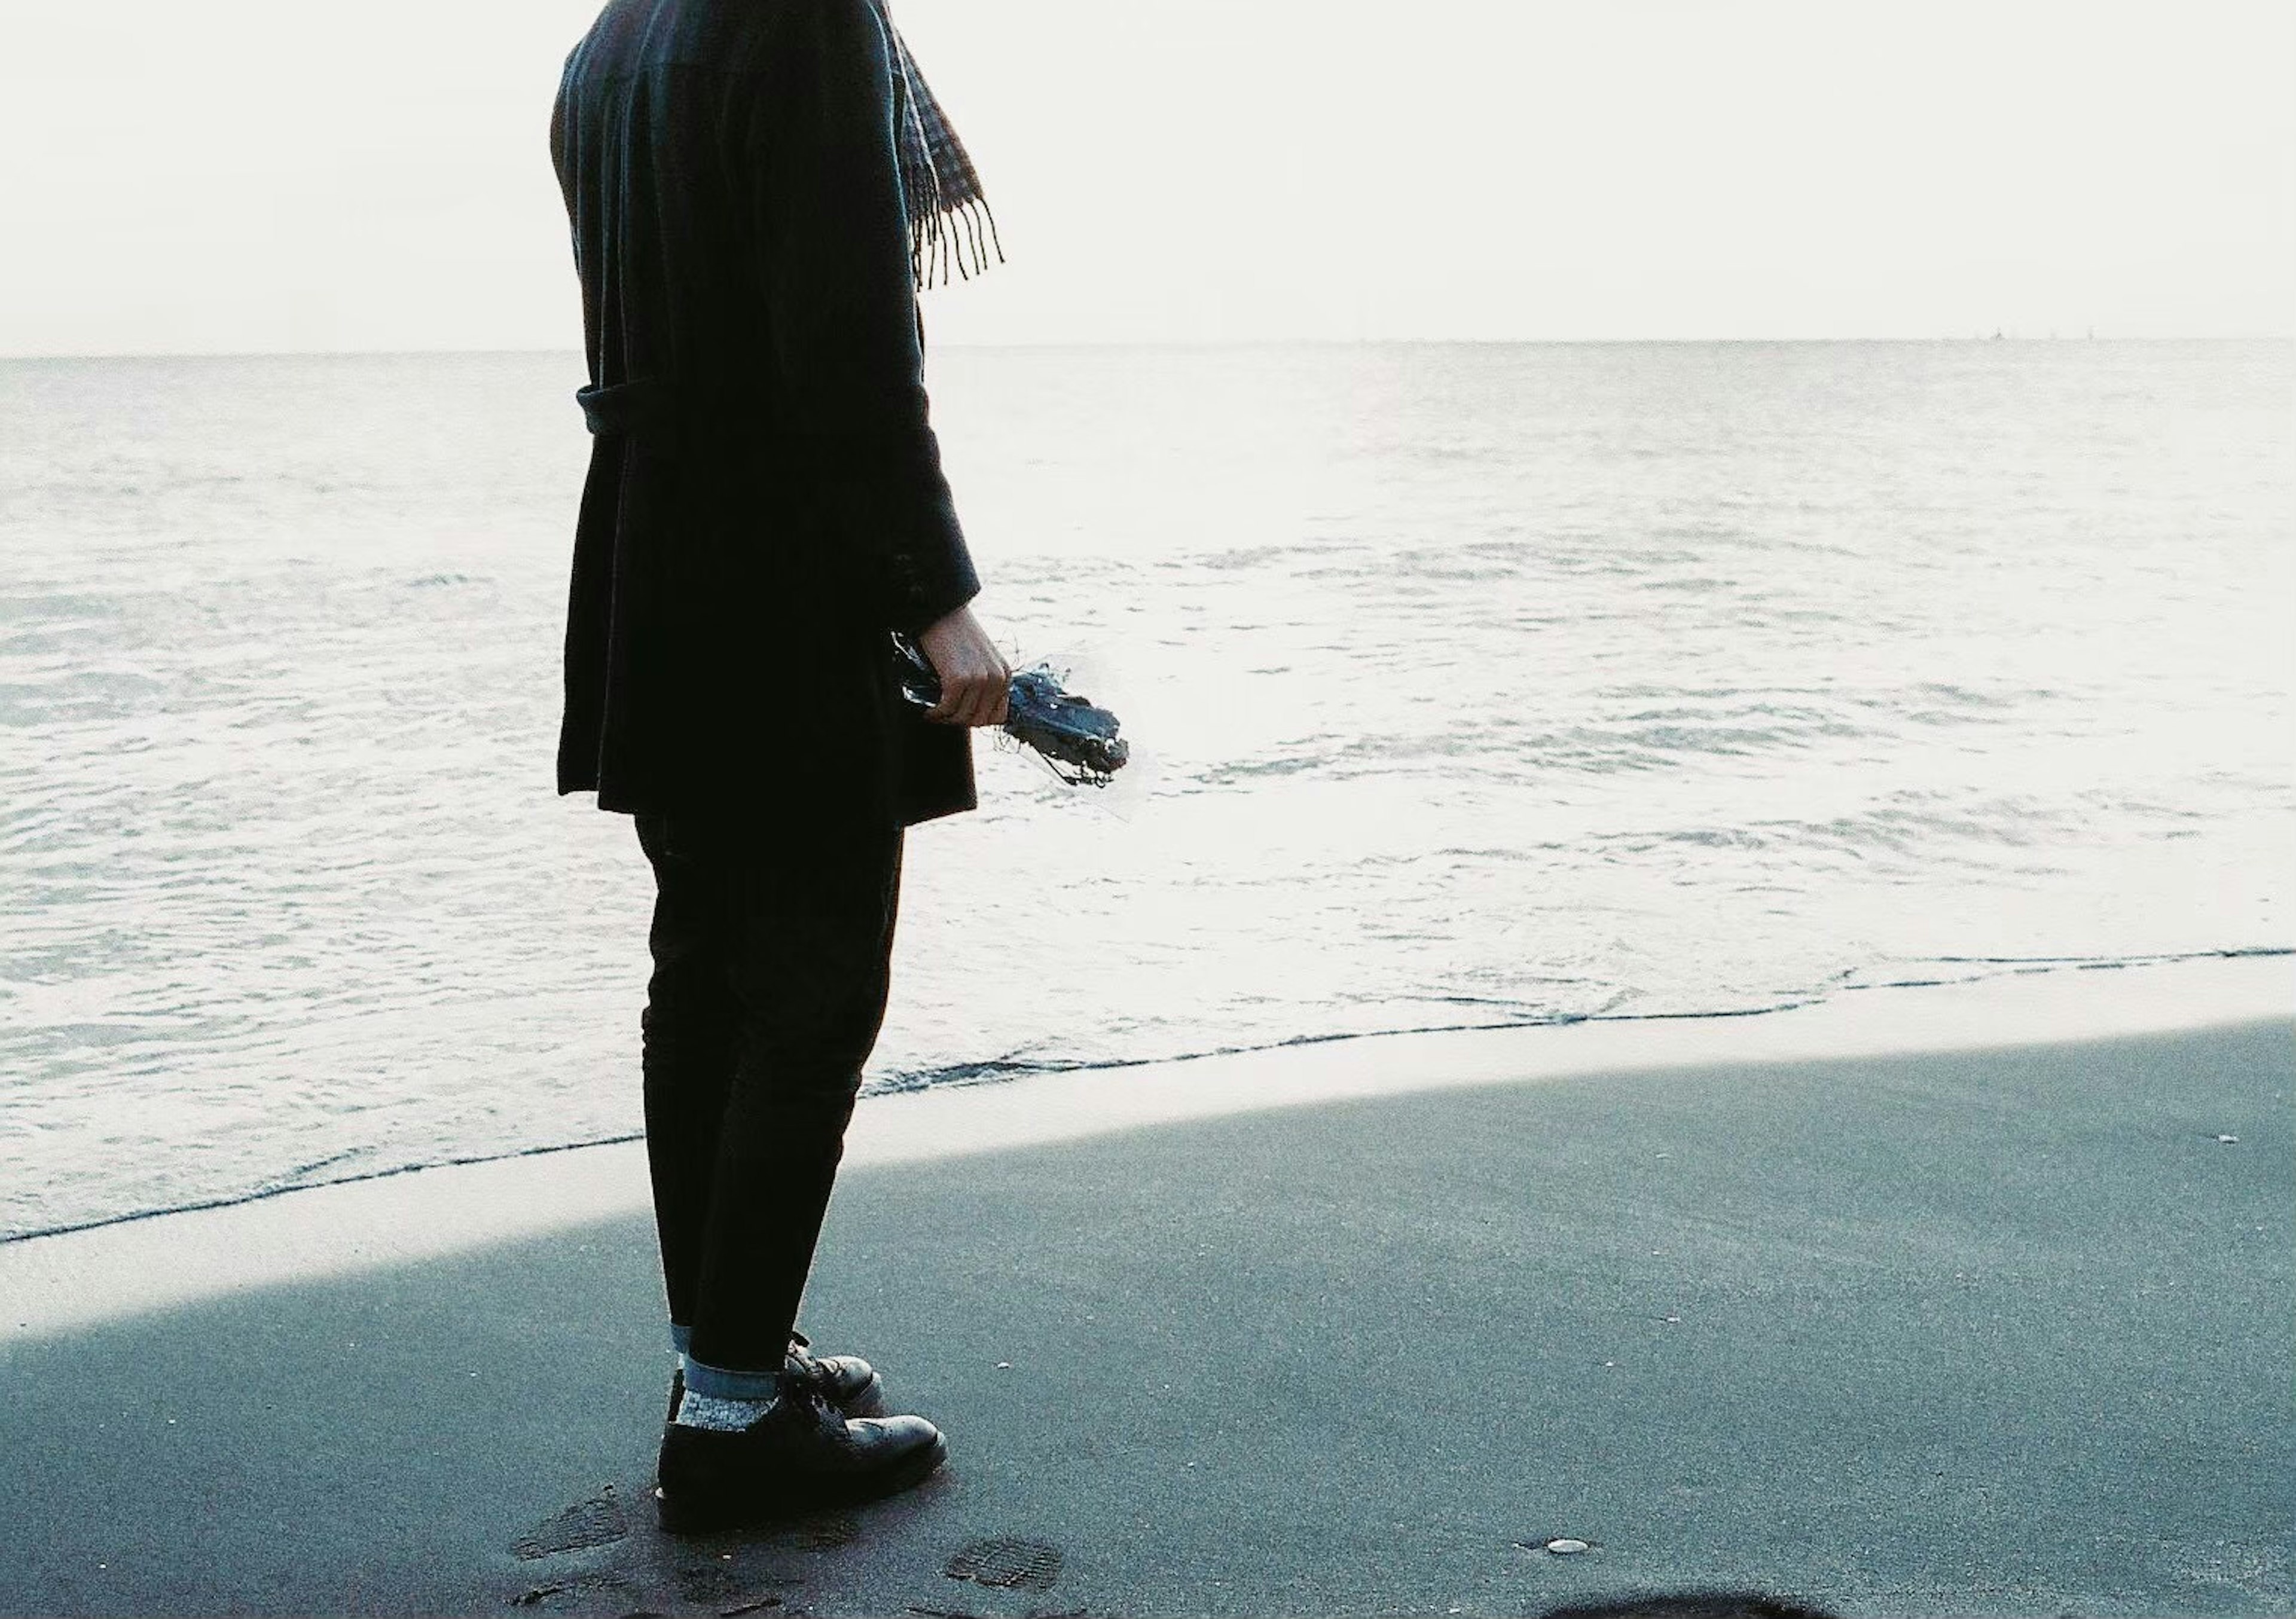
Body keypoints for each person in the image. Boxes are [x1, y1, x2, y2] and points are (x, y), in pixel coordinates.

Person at [548, 0, 1010, 1533]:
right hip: (773, 562)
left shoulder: (618, 35)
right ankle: (739, 1419)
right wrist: (938, 598)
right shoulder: (803, 18)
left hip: (651, 557)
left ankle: (721, 1363)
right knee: (814, 992)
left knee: (707, 980)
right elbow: (847, 343)